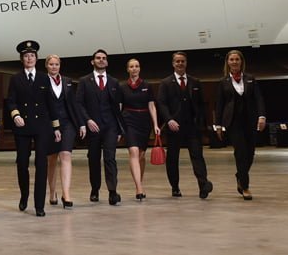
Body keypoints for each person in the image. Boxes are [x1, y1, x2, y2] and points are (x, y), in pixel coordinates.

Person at [6, 41, 61, 216]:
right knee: (22, 163)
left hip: (42, 126)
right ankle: (24, 195)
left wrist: (56, 126)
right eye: (26, 56)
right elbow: (11, 100)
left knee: (41, 164)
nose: (29, 58)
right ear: (22, 59)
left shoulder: (45, 78)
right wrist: (15, 115)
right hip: (22, 126)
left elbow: (51, 102)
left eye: (32, 56)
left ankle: (39, 205)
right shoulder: (15, 78)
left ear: (36, 59)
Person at [156, 51, 213, 199]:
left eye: (182, 61)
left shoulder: (195, 82)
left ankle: (203, 185)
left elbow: (201, 104)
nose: (180, 64)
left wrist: (201, 122)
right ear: (173, 64)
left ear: (186, 63)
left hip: (192, 127)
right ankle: (175, 187)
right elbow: (161, 104)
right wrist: (169, 120)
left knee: (197, 156)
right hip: (174, 127)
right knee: (172, 159)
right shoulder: (165, 83)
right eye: (177, 61)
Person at [74, 49, 124, 205]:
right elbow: (79, 104)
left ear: (107, 62)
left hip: (110, 126)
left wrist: (119, 129)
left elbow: (118, 107)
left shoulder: (114, 82)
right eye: (98, 58)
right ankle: (95, 189)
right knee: (94, 159)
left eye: (104, 58)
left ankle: (112, 191)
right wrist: (87, 120)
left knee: (110, 158)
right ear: (92, 61)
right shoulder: (84, 81)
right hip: (93, 126)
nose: (101, 60)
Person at [215, 49, 266, 200]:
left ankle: (240, 175)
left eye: (237, 59)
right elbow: (219, 105)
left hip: (250, 120)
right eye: (232, 59)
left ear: (241, 62)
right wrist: (218, 125)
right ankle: (245, 187)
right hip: (233, 122)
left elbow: (259, 99)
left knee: (250, 154)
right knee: (241, 153)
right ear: (228, 62)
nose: (235, 62)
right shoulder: (223, 82)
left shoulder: (250, 79)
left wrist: (261, 116)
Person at [119, 58, 160, 200]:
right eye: (131, 66)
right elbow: (119, 107)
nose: (134, 69)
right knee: (133, 151)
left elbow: (152, 106)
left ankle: (139, 182)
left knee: (141, 156)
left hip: (144, 121)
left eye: (137, 66)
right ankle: (139, 188)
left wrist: (155, 125)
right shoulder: (122, 86)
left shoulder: (147, 85)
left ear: (140, 68)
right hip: (128, 120)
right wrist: (119, 127)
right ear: (127, 69)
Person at [44, 54, 79, 209]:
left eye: (56, 64)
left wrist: (81, 124)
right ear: (46, 66)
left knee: (66, 154)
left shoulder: (68, 82)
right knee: (51, 159)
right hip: (49, 124)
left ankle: (66, 194)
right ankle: (52, 192)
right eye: (51, 64)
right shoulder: (42, 81)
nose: (54, 67)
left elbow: (74, 104)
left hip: (67, 123)